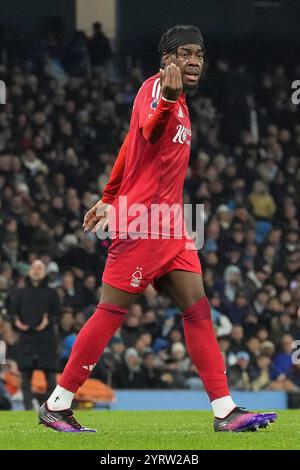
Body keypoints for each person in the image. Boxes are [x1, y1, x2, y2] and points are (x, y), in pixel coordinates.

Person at [39, 25, 277, 433]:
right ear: (166, 59)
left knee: (198, 308)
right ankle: (57, 404)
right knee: (112, 310)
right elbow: (149, 129)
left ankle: (224, 410)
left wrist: (109, 194)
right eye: (184, 53)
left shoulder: (181, 101)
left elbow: (131, 146)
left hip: (170, 225)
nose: (194, 61)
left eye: (199, 54)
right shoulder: (158, 91)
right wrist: (166, 99)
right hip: (142, 222)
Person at [10, 260, 60, 409]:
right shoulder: (20, 293)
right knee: (25, 376)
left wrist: (48, 322)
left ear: (44, 271)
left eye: (40, 267)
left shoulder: (52, 293)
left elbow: (57, 314)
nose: (36, 270)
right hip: (26, 338)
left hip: (46, 339)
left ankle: (51, 408)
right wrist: (17, 323)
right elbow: (13, 313)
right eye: (34, 267)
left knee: (50, 376)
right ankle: (27, 408)